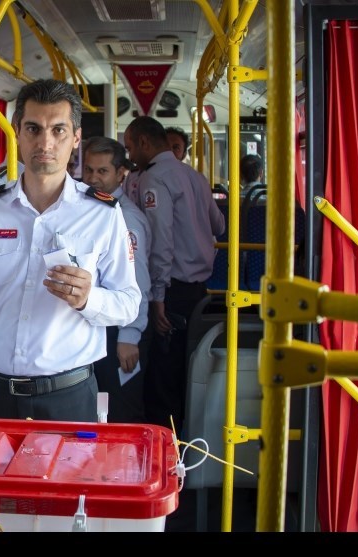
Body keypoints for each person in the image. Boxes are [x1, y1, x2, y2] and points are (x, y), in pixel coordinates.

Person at [0, 79, 140, 422]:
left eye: (58, 130)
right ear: (18, 131)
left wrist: (88, 299)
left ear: (76, 138)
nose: (45, 143)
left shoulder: (103, 214)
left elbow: (129, 303)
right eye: (33, 128)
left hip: (67, 398)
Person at [123, 116, 225, 434]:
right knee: (188, 370)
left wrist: (157, 296)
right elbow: (219, 226)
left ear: (144, 142)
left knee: (162, 378)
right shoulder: (194, 176)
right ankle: (186, 437)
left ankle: (164, 446)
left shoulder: (154, 179)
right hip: (199, 289)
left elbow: (161, 241)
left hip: (171, 291)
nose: (130, 156)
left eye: (130, 147)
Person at [82, 136, 152, 423]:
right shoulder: (91, 209)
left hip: (119, 331)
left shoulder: (127, 219)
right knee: (99, 411)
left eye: (102, 171)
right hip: (95, 324)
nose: (93, 178)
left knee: (121, 412)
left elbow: (138, 283)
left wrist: (129, 336)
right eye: (88, 170)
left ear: (121, 173)